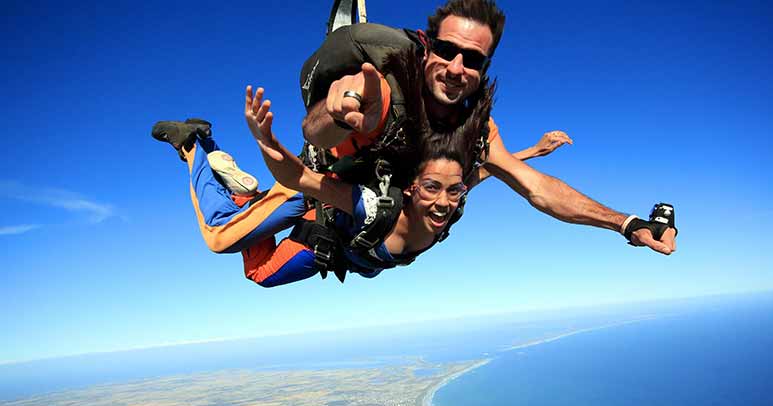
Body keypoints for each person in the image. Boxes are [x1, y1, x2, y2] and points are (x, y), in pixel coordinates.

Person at [298, 0, 678, 254]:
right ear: (427, 49)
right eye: (446, 51)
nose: (456, 68)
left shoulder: (477, 129)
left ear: (485, 68)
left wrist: (624, 223)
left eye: (473, 59)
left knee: (447, 184)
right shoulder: (382, 90)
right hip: (333, 181)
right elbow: (314, 132)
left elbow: (536, 187)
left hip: (388, 213)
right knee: (264, 271)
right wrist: (337, 114)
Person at [151, 82, 494, 287]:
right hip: (310, 198)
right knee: (218, 237)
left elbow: (475, 176)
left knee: (259, 271)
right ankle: (193, 145)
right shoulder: (373, 210)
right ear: (410, 190)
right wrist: (267, 143)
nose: (443, 202)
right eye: (433, 189)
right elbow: (304, 178)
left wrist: (527, 155)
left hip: (324, 243)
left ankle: (245, 198)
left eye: (451, 193)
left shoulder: (446, 208)